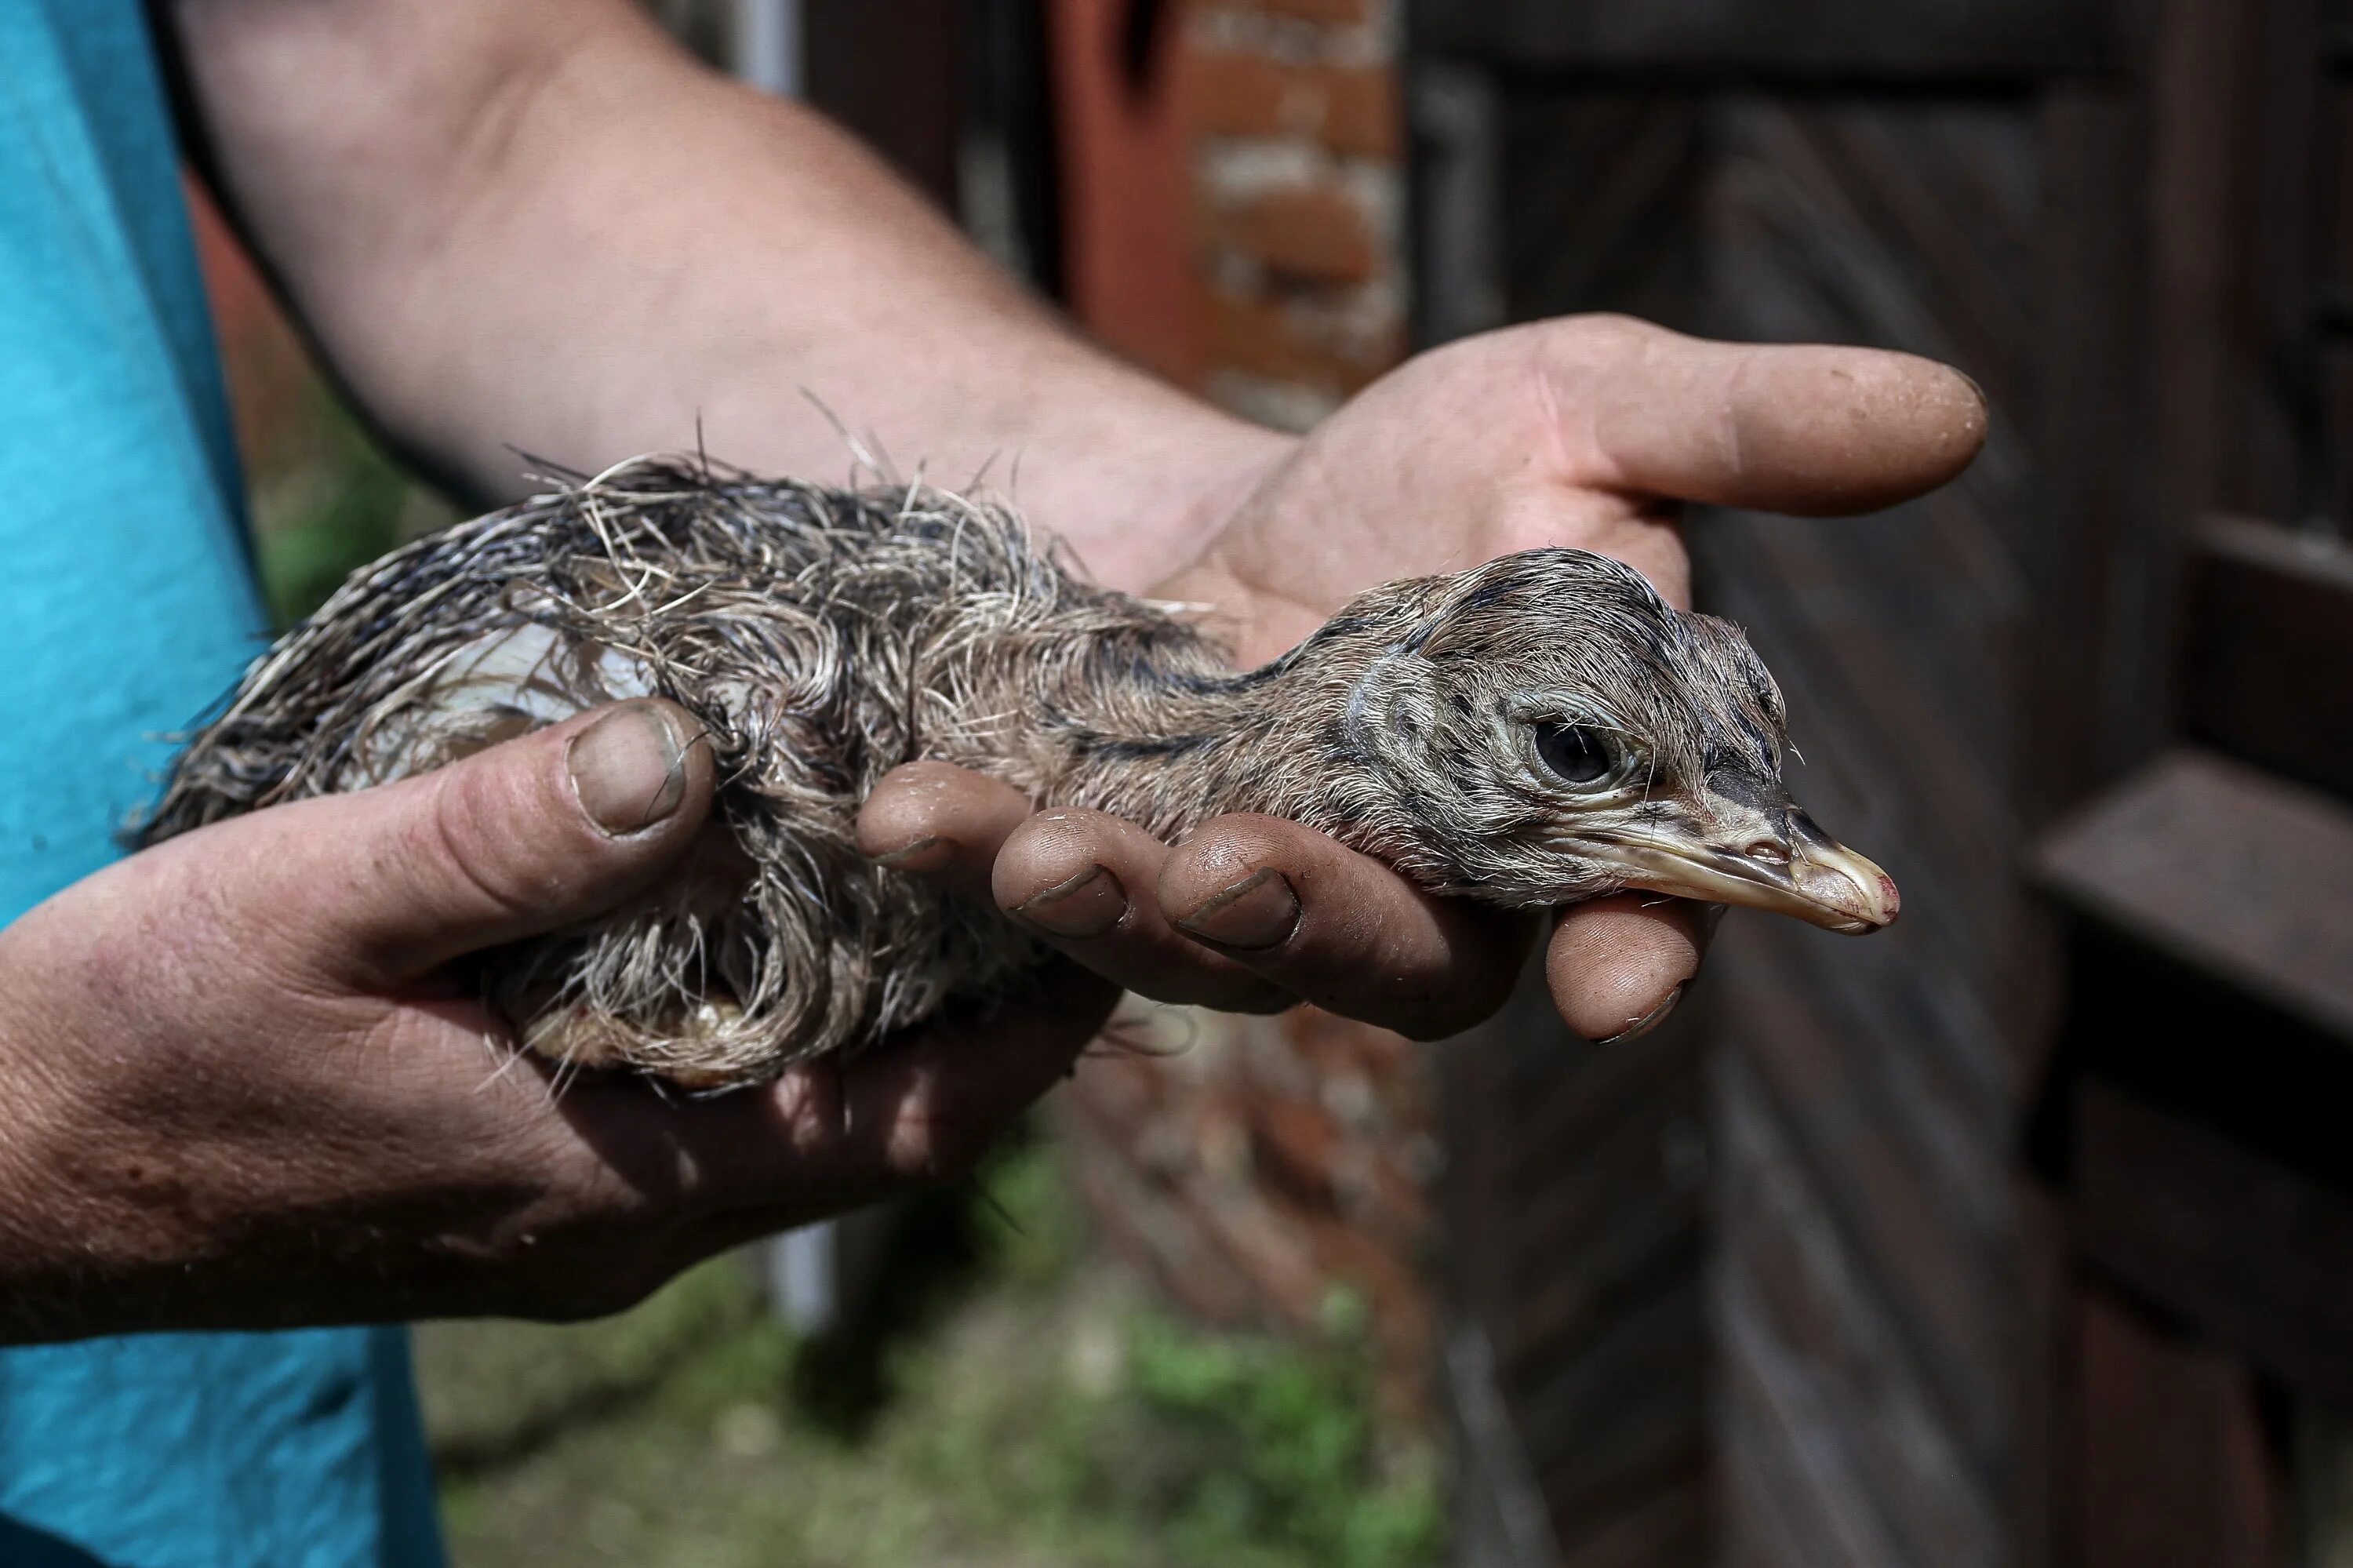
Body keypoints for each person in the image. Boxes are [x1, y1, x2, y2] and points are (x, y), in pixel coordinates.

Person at [0, 2, 1986, 1563]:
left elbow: (475, 102)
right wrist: (46, 1151)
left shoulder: (1029, 697)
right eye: (1575, 757)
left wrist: (1193, 503)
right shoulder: (793, 856)